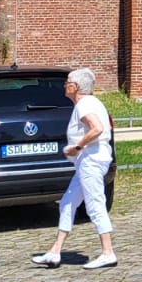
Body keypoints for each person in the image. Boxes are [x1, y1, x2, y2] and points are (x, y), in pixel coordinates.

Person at [32, 68, 117, 270]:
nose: (64, 85)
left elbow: (97, 129)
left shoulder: (84, 104)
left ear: (76, 86)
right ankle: (55, 252)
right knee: (68, 203)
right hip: (88, 161)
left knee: (95, 204)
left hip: (91, 160)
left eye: (67, 82)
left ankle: (108, 253)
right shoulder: (90, 103)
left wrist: (77, 147)